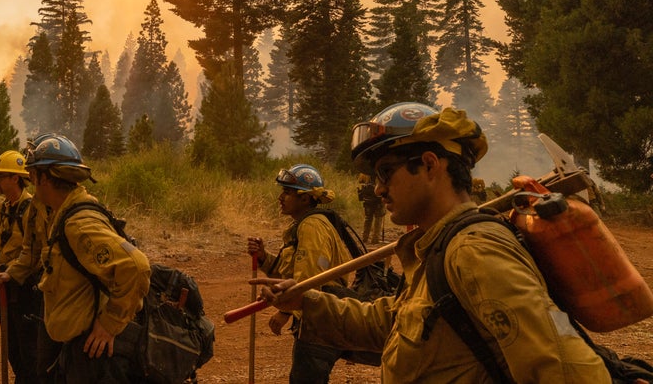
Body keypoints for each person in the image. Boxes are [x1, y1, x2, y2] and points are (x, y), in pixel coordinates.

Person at [253, 102, 609, 382]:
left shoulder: (474, 250)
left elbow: (563, 368)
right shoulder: (435, 248)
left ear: (429, 165)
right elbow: (393, 322)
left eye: (385, 172)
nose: (378, 189)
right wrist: (307, 302)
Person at [25, 134, 150, 383]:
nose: (31, 182)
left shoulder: (79, 224)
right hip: (76, 349)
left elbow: (136, 266)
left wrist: (110, 323)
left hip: (92, 355)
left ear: (46, 178)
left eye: (34, 175)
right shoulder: (63, 213)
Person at [247, 164, 355, 384]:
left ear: (305, 199)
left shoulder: (312, 226)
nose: (281, 197)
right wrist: (263, 257)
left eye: (287, 192)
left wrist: (286, 313)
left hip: (317, 320)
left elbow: (311, 278)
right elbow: (291, 276)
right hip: (314, 315)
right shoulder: (305, 225)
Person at [0, 149, 43, 384]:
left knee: (30, 350)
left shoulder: (33, 209)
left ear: (16, 178)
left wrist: (2, 268)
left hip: (27, 290)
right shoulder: (2, 209)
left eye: (1, 176)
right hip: (5, 288)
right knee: (12, 349)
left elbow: (32, 253)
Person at [357, 173, 385, 244]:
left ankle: (365, 238)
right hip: (378, 200)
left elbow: (360, 182)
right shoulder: (380, 172)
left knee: (368, 219)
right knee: (378, 219)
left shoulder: (364, 173)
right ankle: (375, 239)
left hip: (368, 200)